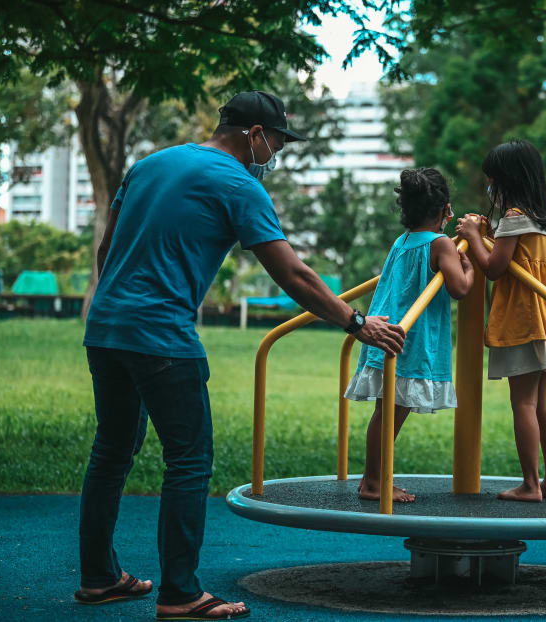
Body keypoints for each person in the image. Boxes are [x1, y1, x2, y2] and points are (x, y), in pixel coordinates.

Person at [74, 91, 405, 620]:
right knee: (188, 460)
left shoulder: (149, 164)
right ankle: (180, 595)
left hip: (106, 328)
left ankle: (98, 579)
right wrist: (357, 322)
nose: (275, 151)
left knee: (111, 450)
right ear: (253, 134)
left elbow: (106, 251)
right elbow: (292, 274)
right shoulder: (239, 184)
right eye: (274, 140)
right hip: (162, 338)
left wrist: (124, 297)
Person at [455, 139, 546, 503]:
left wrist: (472, 236)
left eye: (493, 179)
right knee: (544, 404)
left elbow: (495, 268)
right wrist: (487, 235)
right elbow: (514, 257)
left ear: (508, 179)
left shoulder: (514, 218)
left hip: (527, 322)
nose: (490, 186)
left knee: (523, 404)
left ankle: (530, 484)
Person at [344, 168, 474, 503]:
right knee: (391, 415)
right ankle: (373, 482)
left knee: (383, 413)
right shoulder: (441, 243)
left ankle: (371, 479)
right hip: (408, 340)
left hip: (385, 331)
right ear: (445, 211)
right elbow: (459, 289)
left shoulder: (401, 242)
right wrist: (470, 268)